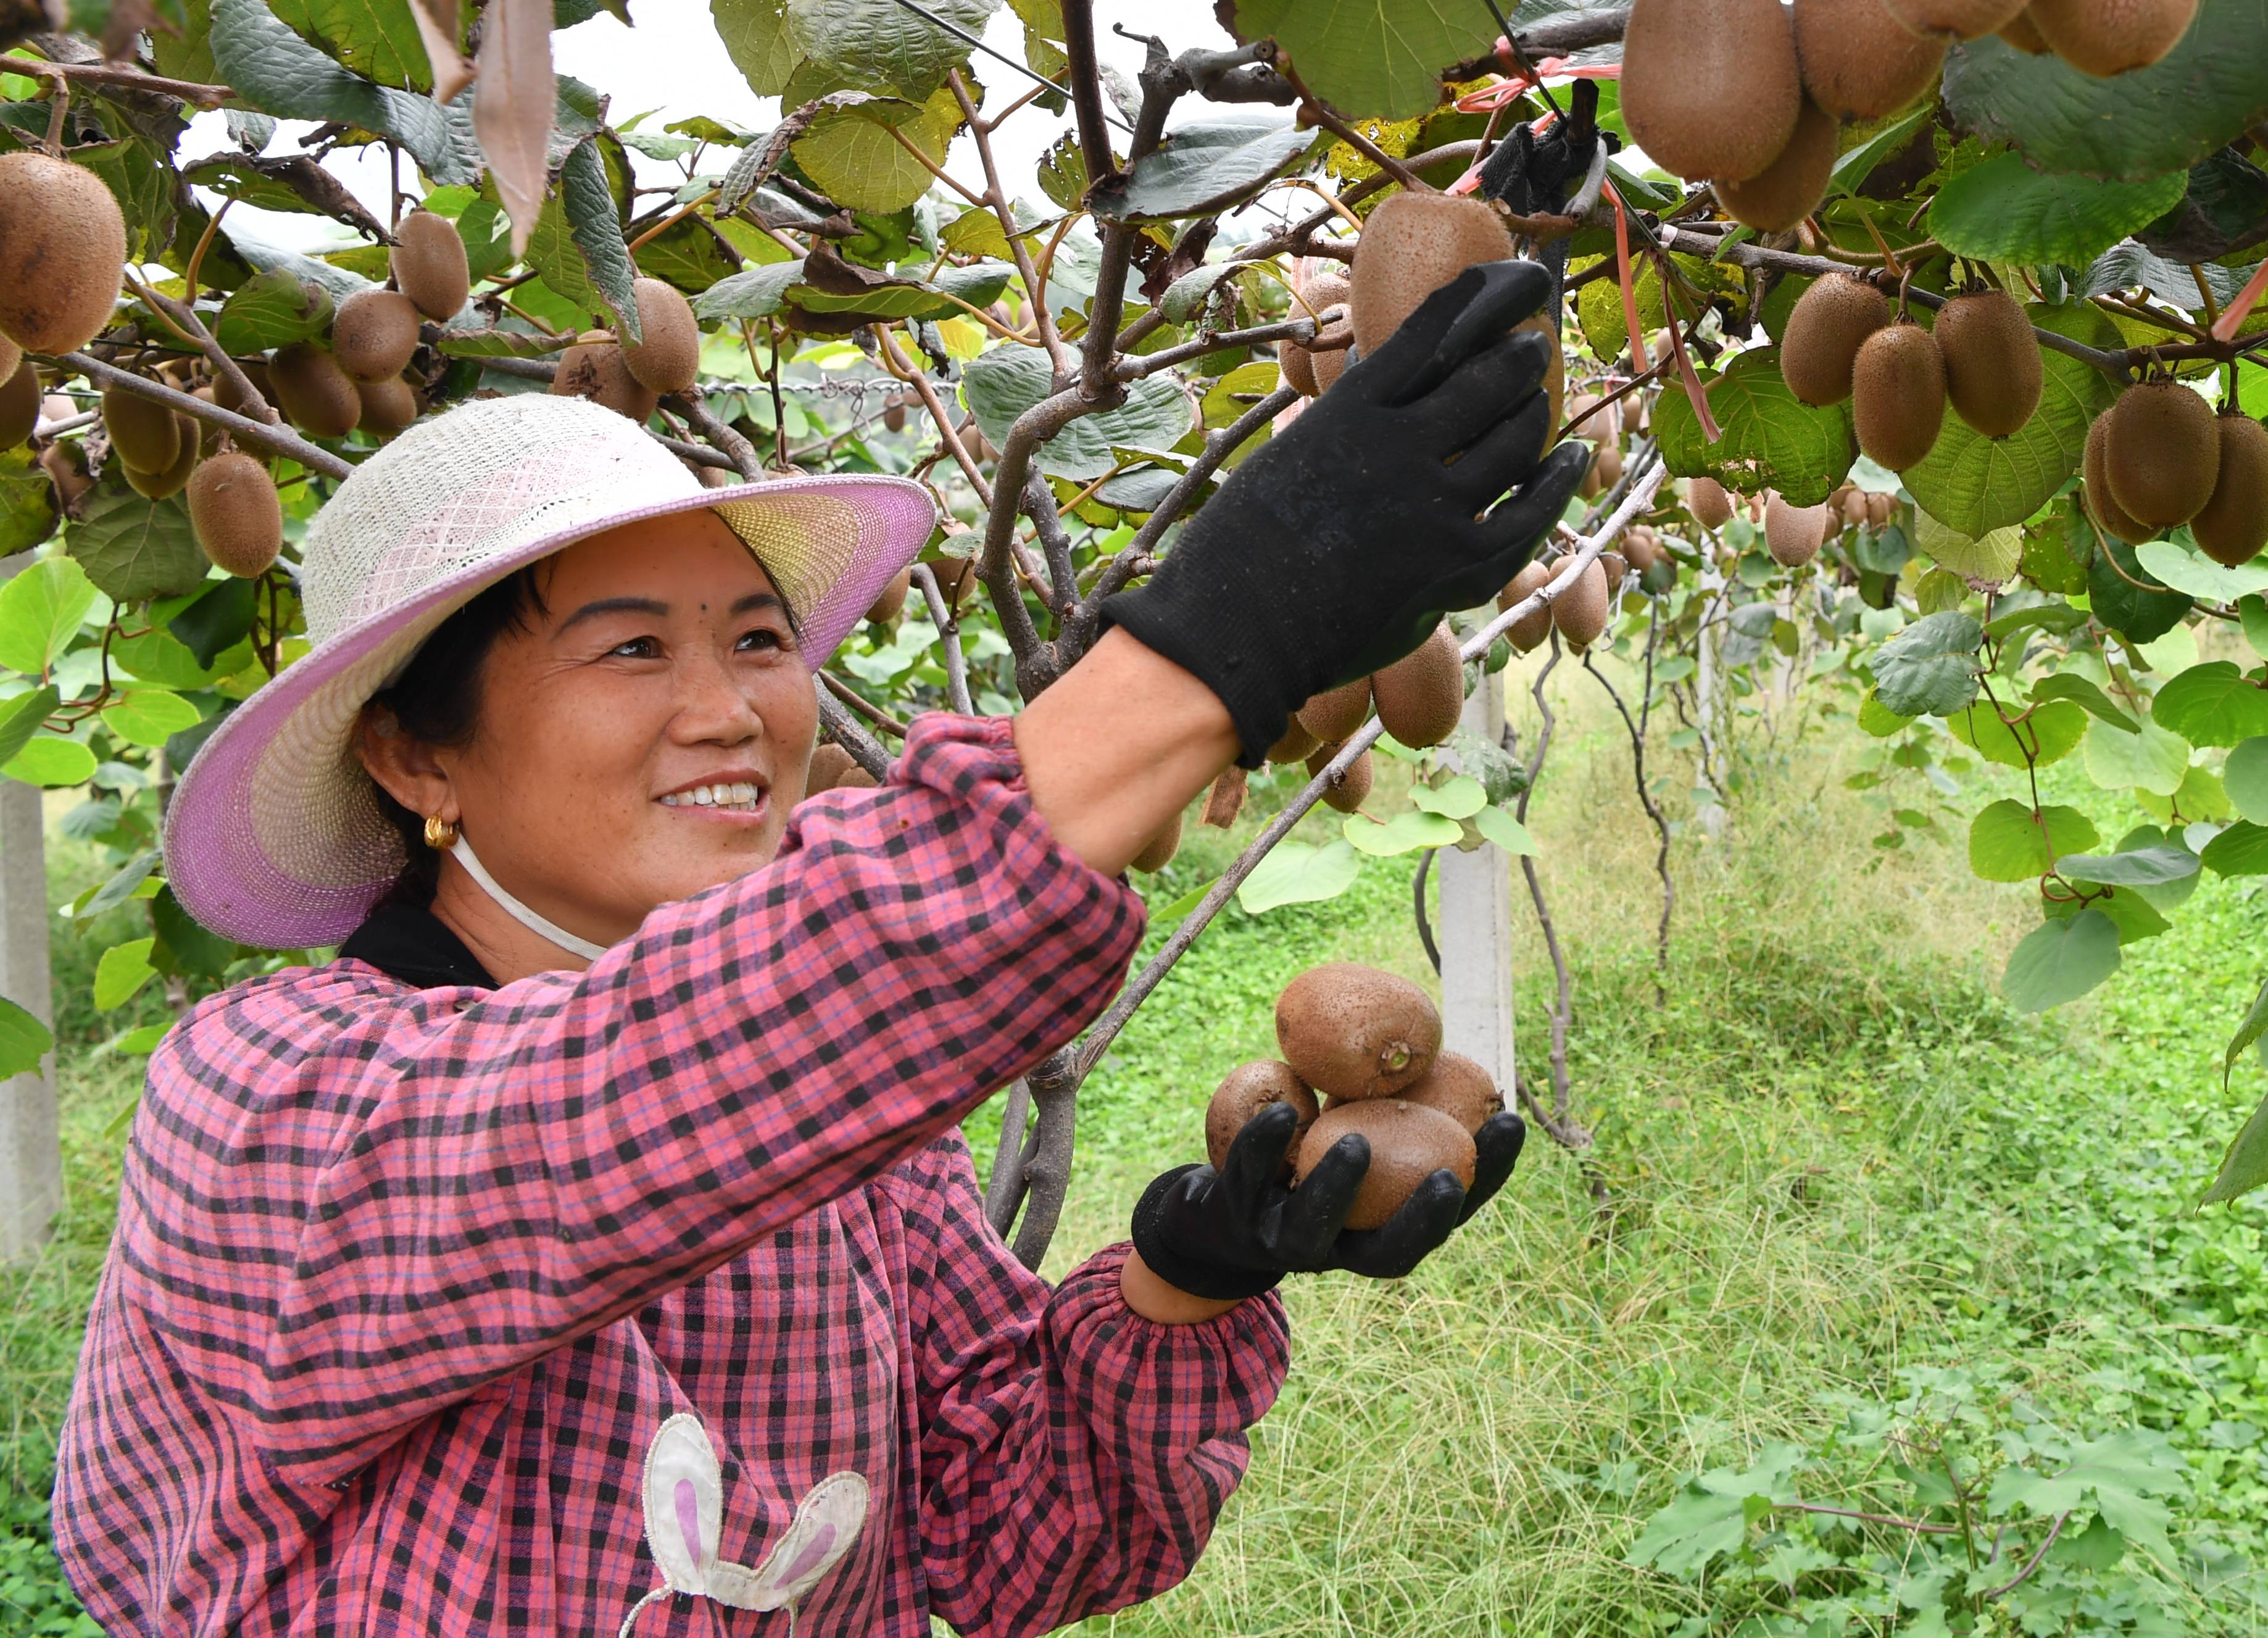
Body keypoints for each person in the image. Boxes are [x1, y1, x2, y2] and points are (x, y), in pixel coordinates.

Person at [55, 261, 1584, 1635]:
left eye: (760, 638)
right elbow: (624, 1104)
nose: (735, 710)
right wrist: (1215, 639)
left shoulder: (852, 1144)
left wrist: (1190, 1270)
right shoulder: (263, 1097)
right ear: (412, 759)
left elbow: (986, 1542)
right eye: (635, 644)